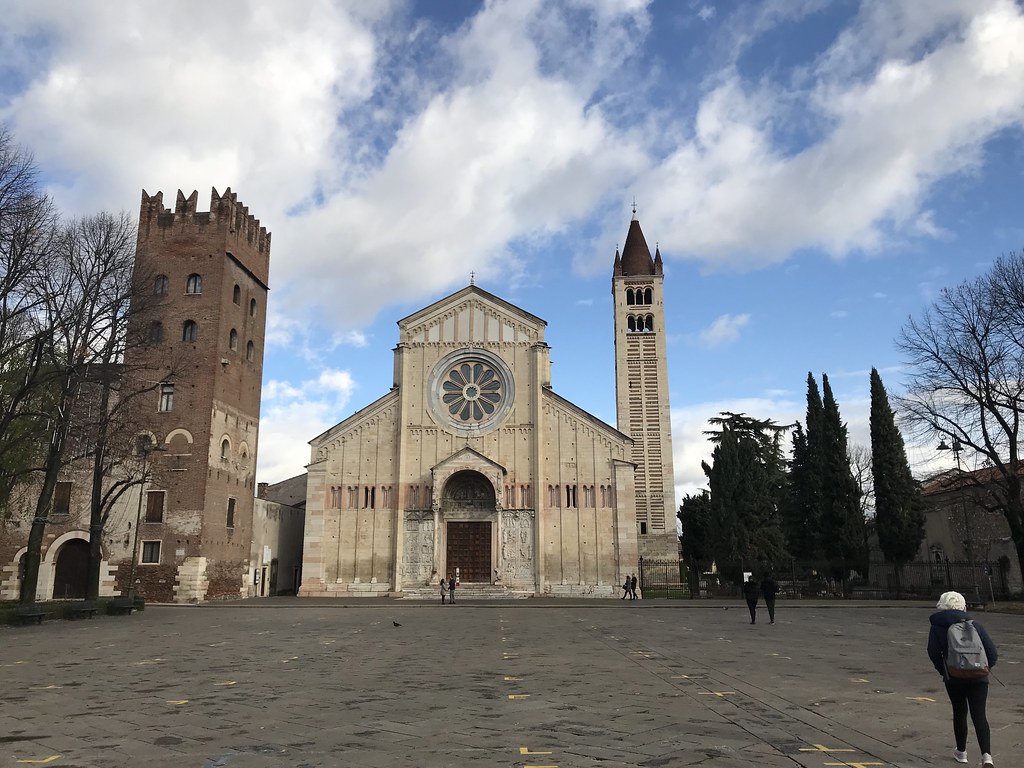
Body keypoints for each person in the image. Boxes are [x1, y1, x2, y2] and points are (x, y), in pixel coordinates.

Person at [927, 591, 998, 767]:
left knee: (959, 712)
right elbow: (992, 653)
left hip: (954, 676)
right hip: (978, 677)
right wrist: (983, 668)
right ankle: (987, 756)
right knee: (979, 714)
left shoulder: (938, 625)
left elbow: (933, 651)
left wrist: (943, 670)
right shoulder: (975, 624)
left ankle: (962, 752)